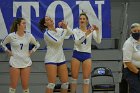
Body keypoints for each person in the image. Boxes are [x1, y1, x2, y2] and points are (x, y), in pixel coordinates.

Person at [0, 18, 40, 93]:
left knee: (25, 86)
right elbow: (2, 44)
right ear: (18, 25)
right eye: (23, 23)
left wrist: (31, 51)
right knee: (13, 86)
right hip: (15, 62)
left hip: (26, 62)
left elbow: (37, 44)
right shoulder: (11, 36)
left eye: (25, 23)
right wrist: (8, 51)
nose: (25, 25)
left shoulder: (29, 35)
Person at [39, 16, 72, 93]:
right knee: (51, 84)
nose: (50, 20)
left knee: (65, 84)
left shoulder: (59, 30)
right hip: (51, 59)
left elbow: (70, 33)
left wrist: (66, 26)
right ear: (45, 24)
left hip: (61, 58)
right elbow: (58, 42)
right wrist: (64, 30)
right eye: (47, 20)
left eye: (50, 18)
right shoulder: (47, 33)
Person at [70, 12, 102, 93]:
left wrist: (97, 31)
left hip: (87, 55)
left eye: (84, 19)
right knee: (74, 78)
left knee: (86, 79)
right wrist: (86, 34)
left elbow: (98, 41)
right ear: (78, 20)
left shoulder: (91, 30)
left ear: (87, 21)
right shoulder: (75, 30)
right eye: (80, 19)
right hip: (76, 54)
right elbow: (77, 42)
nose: (82, 20)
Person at [122, 23, 140, 93]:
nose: (137, 32)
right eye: (135, 31)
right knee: (136, 90)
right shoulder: (128, 43)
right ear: (131, 32)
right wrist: (138, 72)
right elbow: (127, 62)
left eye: (139, 31)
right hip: (131, 71)